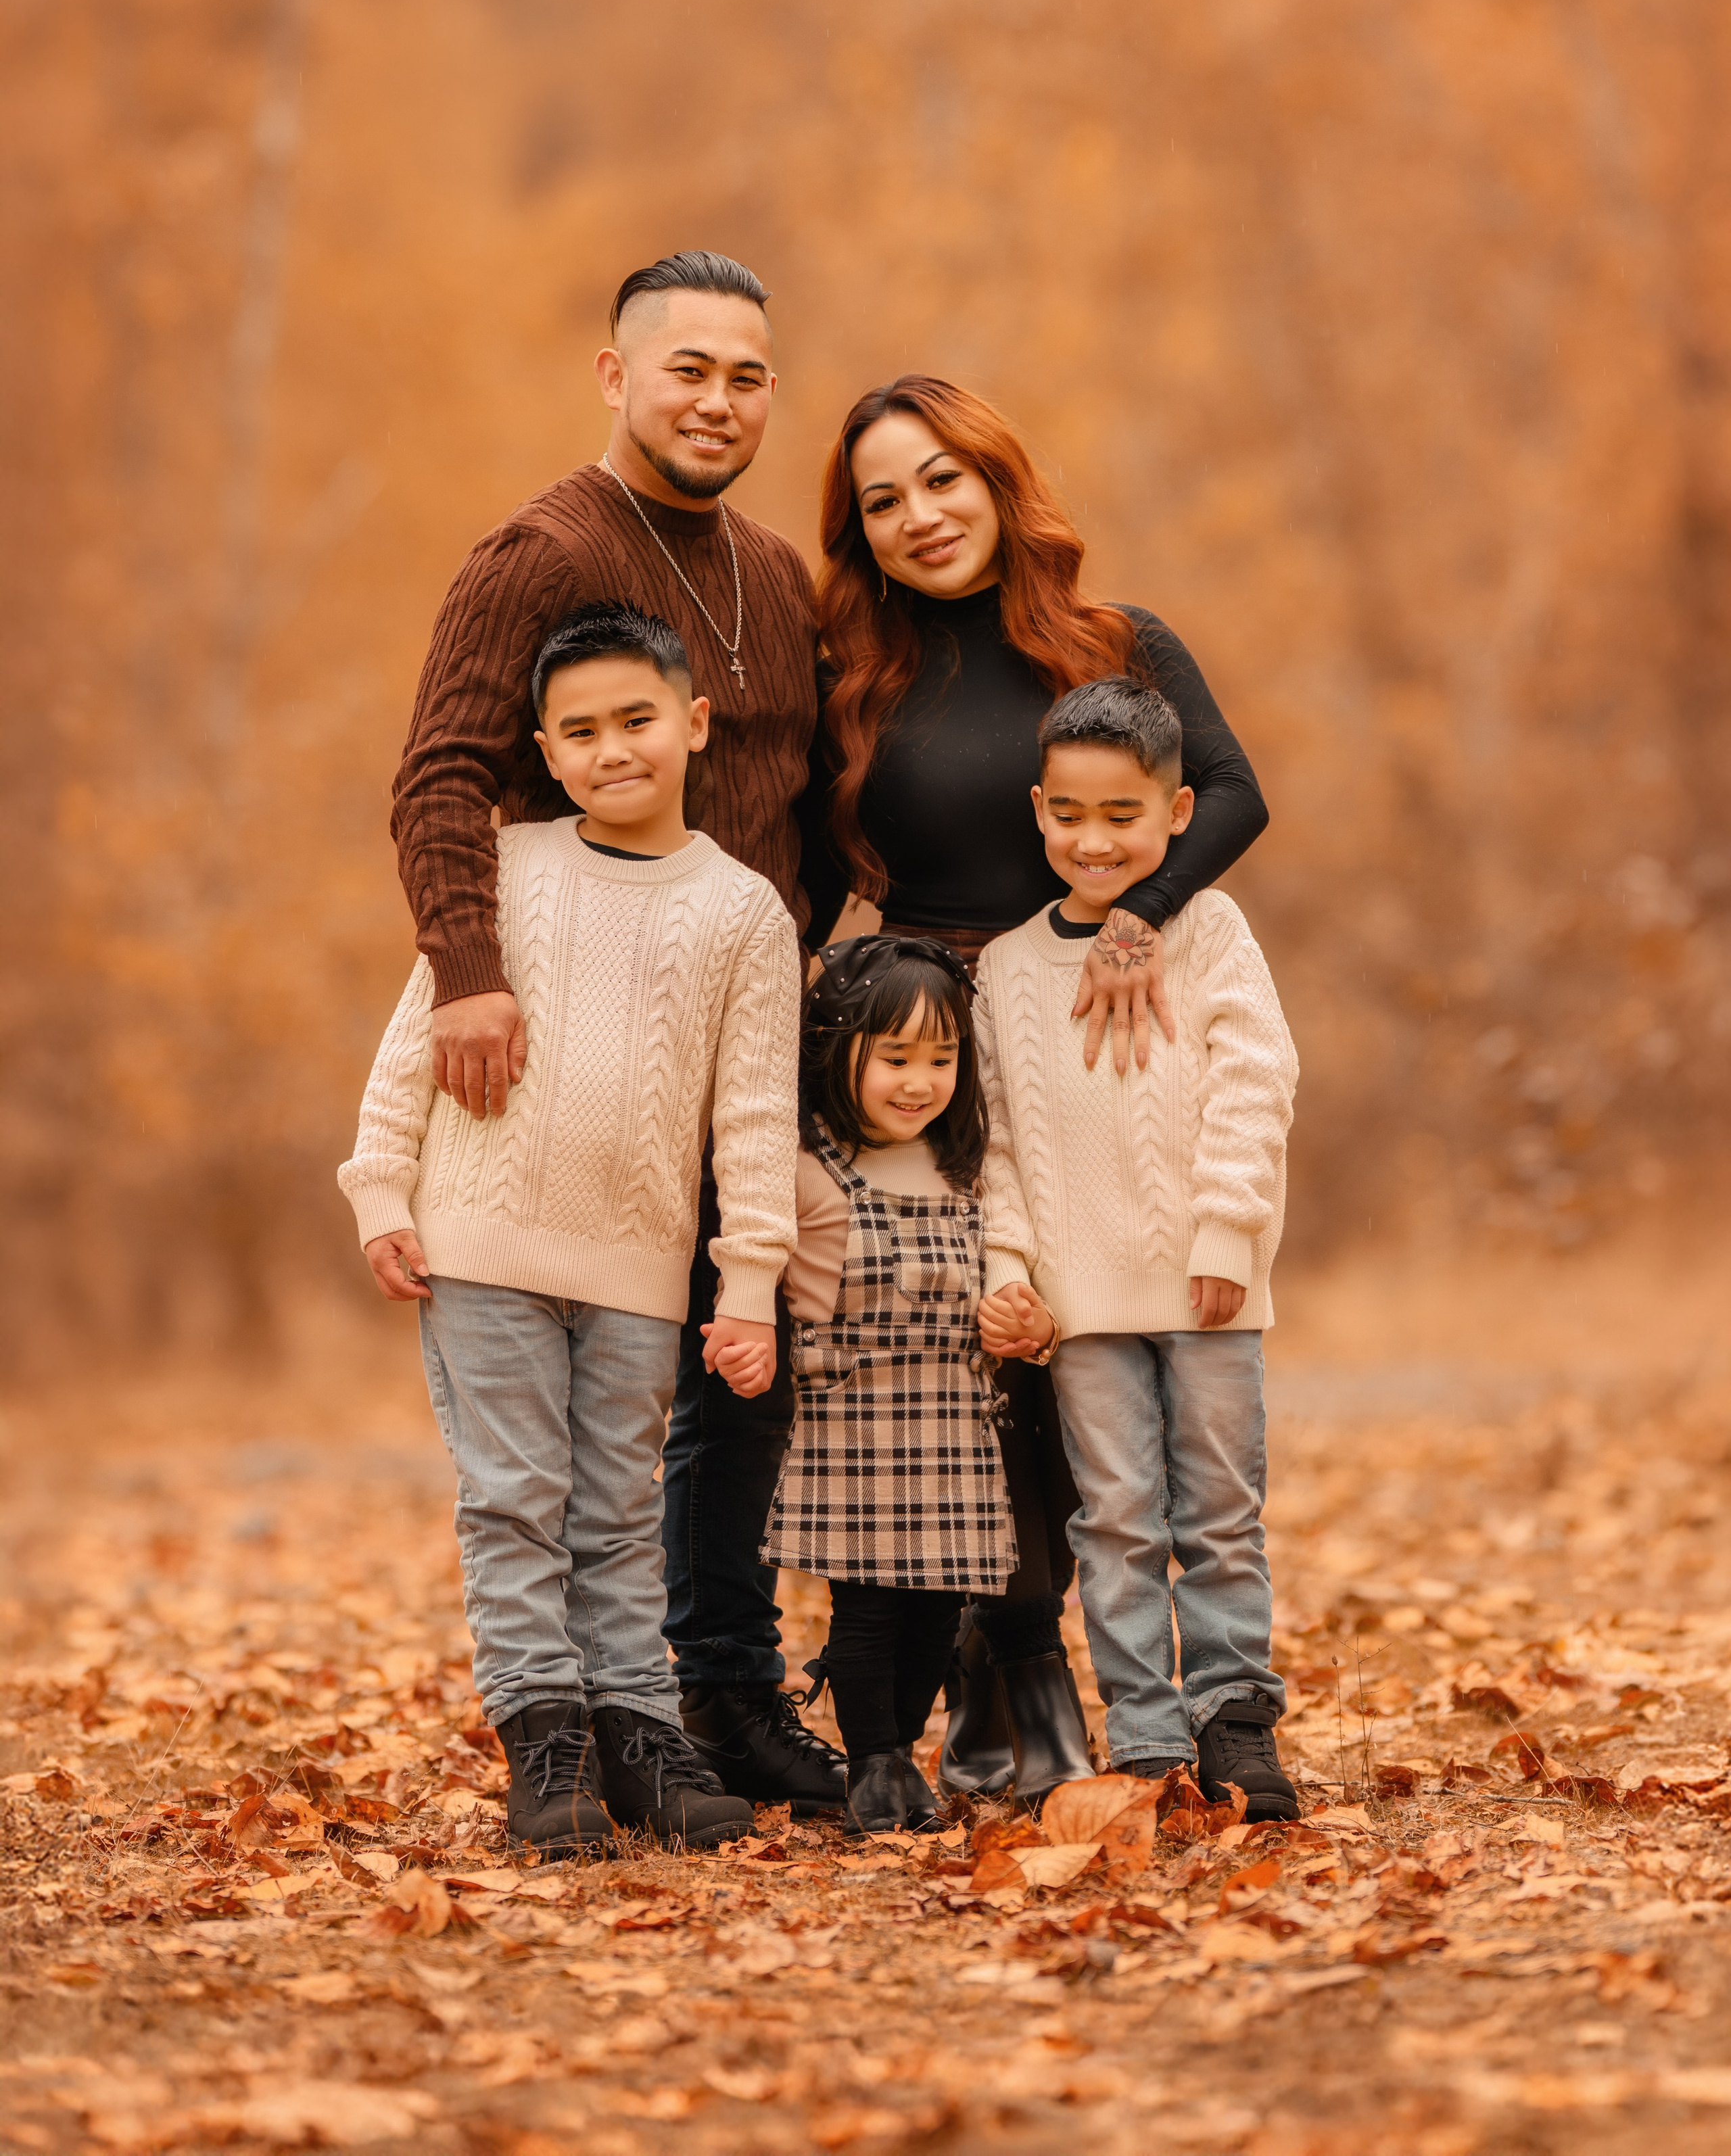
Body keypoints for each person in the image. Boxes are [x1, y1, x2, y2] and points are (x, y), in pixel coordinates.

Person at [389, 249, 845, 1815]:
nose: (717, 401)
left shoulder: (774, 575)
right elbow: (441, 773)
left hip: (742, 1017)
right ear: (615, 375)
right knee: (581, 1439)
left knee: (740, 1365)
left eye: (746, 376)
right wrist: (467, 973)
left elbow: (804, 800)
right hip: (574, 1044)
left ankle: (711, 1697)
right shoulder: (542, 552)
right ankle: (576, 1725)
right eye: (686, 370)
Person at [803, 375, 1270, 1803]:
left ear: (997, 479)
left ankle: (1074, 1673)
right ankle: (1006, 1665)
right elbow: (811, 878)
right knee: (972, 1353)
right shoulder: (855, 681)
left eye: (942, 478)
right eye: (883, 501)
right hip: (931, 1043)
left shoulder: (1114, 644)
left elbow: (1231, 792)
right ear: (861, 534)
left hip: (1100, 1019)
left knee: (1087, 1346)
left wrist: (1137, 923)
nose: (919, 515)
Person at [341, 602, 801, 1854]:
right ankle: (546, 1742)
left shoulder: (745, 912)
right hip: (481, 1241)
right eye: (581, 731)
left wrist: (748, 1282)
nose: (612, 750)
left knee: (614, 1509)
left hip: (639, 1267)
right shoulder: (509, 866)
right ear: (545, 751)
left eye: (635, 720)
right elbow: (418, 1038)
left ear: (694, 723)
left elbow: (755, 1115)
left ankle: (639, 1730)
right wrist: (381, 1187)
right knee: (515, 1498)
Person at [974, 675, 1300, 1821]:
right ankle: (1150, 1739)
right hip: (1079, 1305)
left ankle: (1235, 1717)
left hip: (1209, 1286)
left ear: (1176, 814)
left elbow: (1257, 1081)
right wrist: (1010, 1273)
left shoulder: (1209, 929)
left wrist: (1224, 1230)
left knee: (1219, 1513)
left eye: (1124, 815)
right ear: (1038, 809)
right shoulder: (1007, 968)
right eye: (1069, 813)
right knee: (1114, 1522)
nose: (1094, 839)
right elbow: (997, 1142)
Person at [708, 936, 1015, 1834]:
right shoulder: (810, 1168)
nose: (920, 1082)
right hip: (854, 1421)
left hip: (955, 1421)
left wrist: (1024, 1319)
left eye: (941, 1059)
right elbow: (754, 1258)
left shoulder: (966, 1168)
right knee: (872, 1604)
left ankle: (902, 1750)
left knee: (941, 1605)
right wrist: (747, 1326)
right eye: (896, 1058)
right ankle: (874, 1760)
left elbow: (1009, 1271)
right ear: (839, 1052)